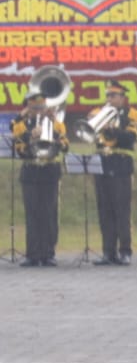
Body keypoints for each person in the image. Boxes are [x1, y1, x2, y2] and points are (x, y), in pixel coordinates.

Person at [10, 92, 68, 267]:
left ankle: (48, 253)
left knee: (49, 214)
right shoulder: (21, 126)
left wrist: (53, 137)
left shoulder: (56, 124)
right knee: (32, 214)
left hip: (50, 171)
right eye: (34, 108)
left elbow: (65, 145)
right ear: (28, 108)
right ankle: (33, 254)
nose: (38, 111)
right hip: (31, 172)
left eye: (41, 108)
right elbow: (19, 148)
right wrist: (30, 136)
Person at [90, 82, 137, 266]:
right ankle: (108, 252)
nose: (110, 99)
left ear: (122, 97)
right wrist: (102, 125)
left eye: (113, 96)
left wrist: (114, 131)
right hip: (102, 164)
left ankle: (125, 251)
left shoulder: (132, 114)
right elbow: (91, 135)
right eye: (108, 96)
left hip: (121, 165)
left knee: (122, 211)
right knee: (105, 210)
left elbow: (130, 138)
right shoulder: (98, 113)